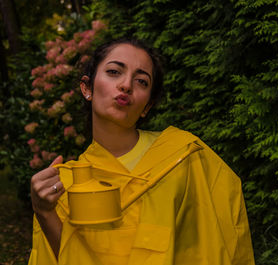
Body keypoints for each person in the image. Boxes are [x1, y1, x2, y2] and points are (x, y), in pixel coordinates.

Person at [29, 38, 255, 265]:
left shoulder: (182, 156)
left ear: (147, 106)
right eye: (114, 72)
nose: (126, 85)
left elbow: (219, 241)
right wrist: (45, 212)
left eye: (141, 81)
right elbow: (71, 258)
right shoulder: (65, 183)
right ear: (87, 87)